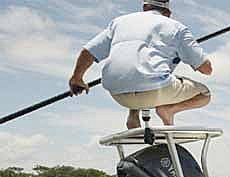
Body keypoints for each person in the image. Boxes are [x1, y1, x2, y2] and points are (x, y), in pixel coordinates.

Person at [68, 0, 213, 129]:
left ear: (145, 7)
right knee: (204, 94)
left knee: (137, 69)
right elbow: (206, 69)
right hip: (155, 91)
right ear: (168, 12)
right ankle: (169, 110)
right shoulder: (177, 28)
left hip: (118, 95)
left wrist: (77, 78)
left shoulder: (119, 22)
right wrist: (193, 54)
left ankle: (133, 114)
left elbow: (88, 52)